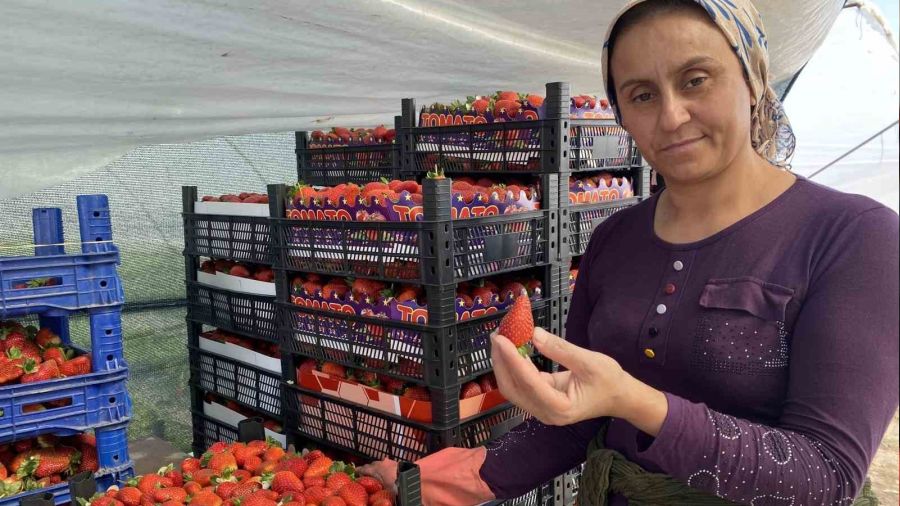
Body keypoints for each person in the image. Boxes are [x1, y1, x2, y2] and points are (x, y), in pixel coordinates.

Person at [360, 0, 900, 504]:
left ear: (753, 81)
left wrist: (633, 401)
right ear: (621, 115)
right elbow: (576, 421)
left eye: (696, 80)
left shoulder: (853, 237)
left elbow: (826, 478)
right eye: (642, 95)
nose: (671, 116)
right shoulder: (614, 239)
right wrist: (430, 483)